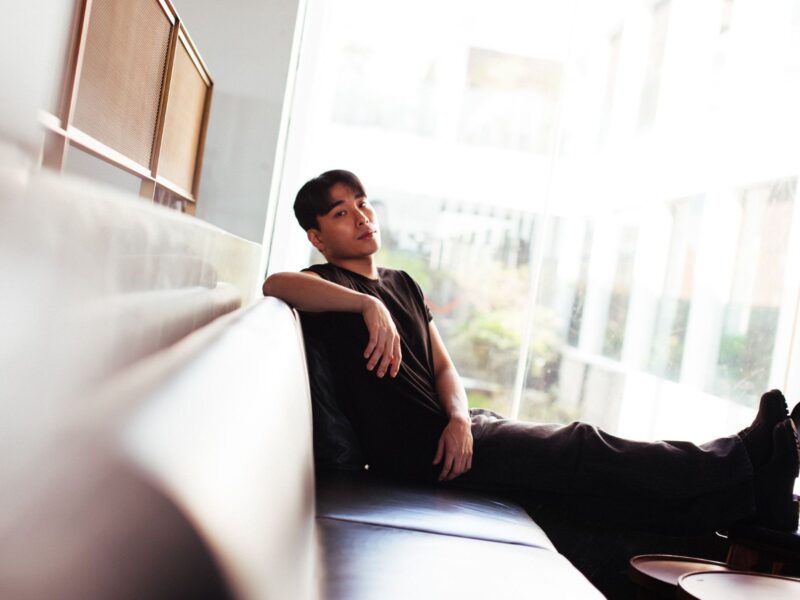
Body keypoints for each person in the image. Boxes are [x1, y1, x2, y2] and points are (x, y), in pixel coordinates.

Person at [263, 169, 800, 533]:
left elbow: (444, 367)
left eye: (363, 204)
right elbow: (275, 284)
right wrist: (364, 305)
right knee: (581, 445)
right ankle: (742, 456)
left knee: (591, 488)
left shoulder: (402, 282)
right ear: (317, 237)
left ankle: (753, 502)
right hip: (420, 455)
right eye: (340, 213)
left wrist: (459, 419)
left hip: (458, 430)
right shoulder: (327, 286)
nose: (361, 217)